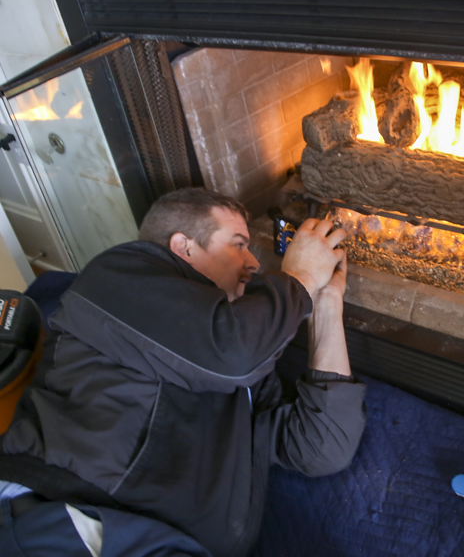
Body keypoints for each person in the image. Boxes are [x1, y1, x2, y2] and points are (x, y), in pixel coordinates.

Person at [0, 188, 366, 557]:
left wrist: (325, 304)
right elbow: (231, 353)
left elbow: (323, 447)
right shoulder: (120, 274)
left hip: (165, 539)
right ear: (183, 246)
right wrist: (299, 276)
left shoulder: (245, 370)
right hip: (74, 515)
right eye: (238, 244)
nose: (253, 264)